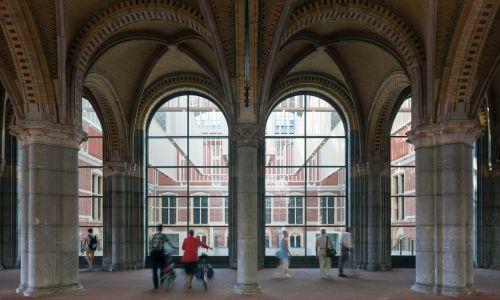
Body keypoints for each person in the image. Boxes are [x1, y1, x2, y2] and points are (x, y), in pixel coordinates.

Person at [149, 224, 178, 289]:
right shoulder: (163, 235)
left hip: (153, 253)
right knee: (163, 267)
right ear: (162, 229)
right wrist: (175, 247)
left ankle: (155, 286)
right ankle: (162, 280)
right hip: (160, 253)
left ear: (157, 229)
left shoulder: (154, 235)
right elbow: (169, 243)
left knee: (154, 270)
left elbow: (151, 244)